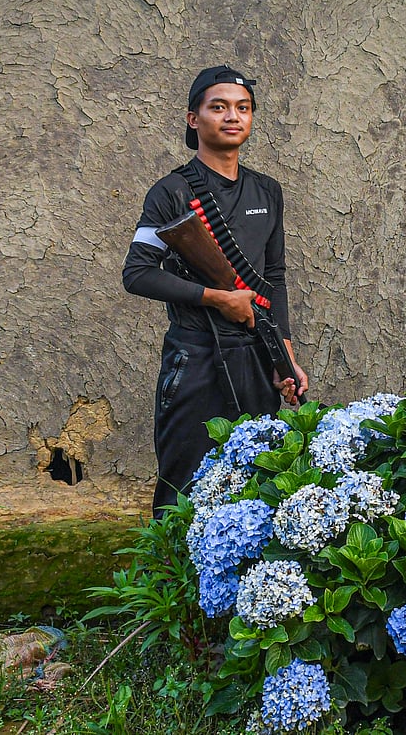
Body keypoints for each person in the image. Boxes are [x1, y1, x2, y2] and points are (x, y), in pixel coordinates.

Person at [123, 65, 307, 518]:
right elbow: (138, 273)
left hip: (255, 351)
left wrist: (284, 352)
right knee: (182, 487)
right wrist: (216, 298)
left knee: (258, 482)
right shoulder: (171, 192)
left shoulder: (267, 190)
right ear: (193, 119)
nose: (232, 116)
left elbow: (275, 275)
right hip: (196, 358)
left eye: (243, 108)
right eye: (218, 107)